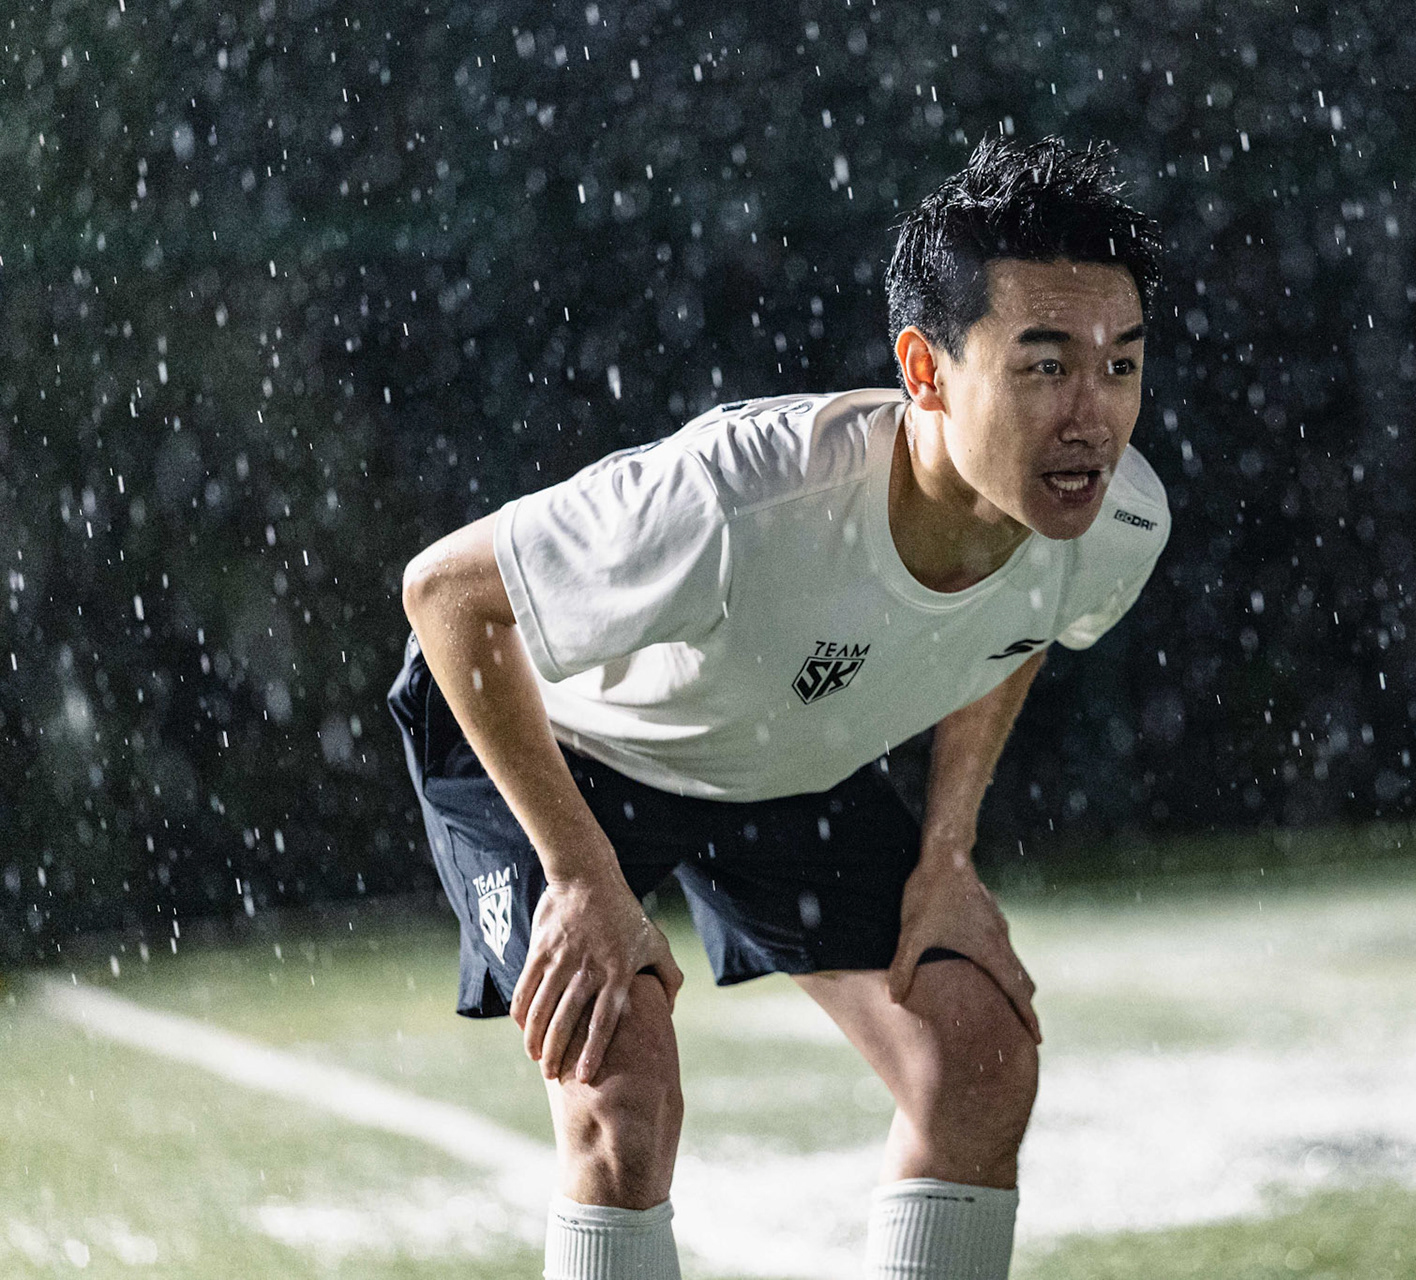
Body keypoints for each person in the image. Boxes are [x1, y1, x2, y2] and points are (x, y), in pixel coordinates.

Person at [388, 136, 1170, 1280]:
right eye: (1044, 364)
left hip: (775, 767)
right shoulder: (738, 500)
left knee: (979, 1053)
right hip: (562, 744)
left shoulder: (1113, 523)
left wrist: (945, 853)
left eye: (1121, 365)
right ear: (926, 368)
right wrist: (579, 875)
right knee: (624, 1089)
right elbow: (447, 600)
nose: (1092, 415)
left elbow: (1017, 628)